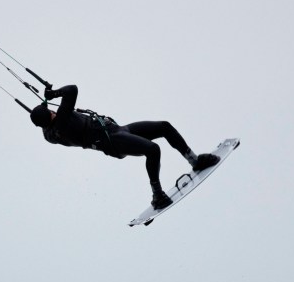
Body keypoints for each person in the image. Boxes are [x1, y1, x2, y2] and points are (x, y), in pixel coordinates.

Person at [29, 84, 219, 209]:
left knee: (164, 127)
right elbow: (72, 90)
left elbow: (46, 120)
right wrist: (53, 94)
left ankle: (194, 160)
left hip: (120, 131)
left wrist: (42, 109)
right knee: (153, 149)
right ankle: (157, 194)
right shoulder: (61, 123)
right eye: (51, 111)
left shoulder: (50, 133)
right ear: (51, 116)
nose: (53, 110)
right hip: (112, 141)